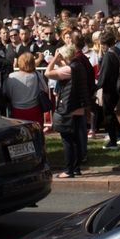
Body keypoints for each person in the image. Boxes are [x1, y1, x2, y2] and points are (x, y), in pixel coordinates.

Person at [46, 44, 89, 178]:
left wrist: (53, 60)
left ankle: (68, 170)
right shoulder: (78, 66)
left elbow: (48, 73)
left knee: (67, 141)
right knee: (75, 139)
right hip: (78, 108)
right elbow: (66, 69)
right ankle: (76, 168)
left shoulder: (69, 69)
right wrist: (61, 61)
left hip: (69, 107)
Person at [4, 51, 46, 125]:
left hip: (17, 110)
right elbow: (45, 89)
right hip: (35, 109)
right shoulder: (37, 75)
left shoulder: (12, 76)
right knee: (36, 132)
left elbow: (7, 93)